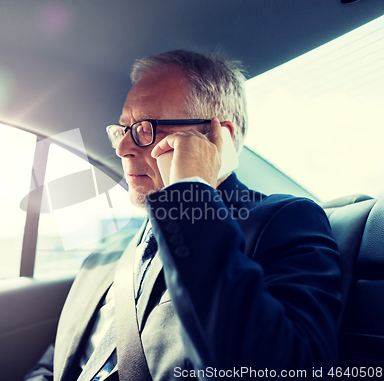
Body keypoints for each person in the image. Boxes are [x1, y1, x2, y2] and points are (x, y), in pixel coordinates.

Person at [25, 50, 341, 380]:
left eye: (145, 128)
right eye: (123, 129)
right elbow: (53, 365)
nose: (122, 148)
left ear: (219, 140)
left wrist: (190, 192)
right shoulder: (107, 255)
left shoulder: (284, 221)